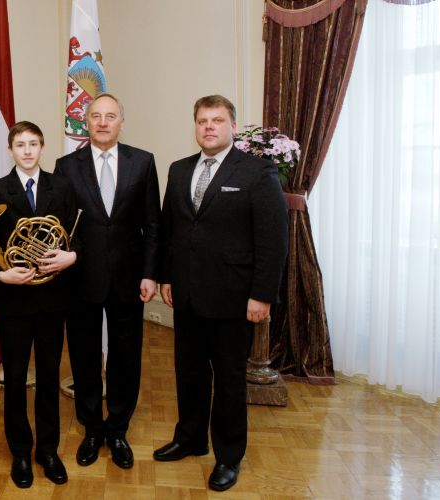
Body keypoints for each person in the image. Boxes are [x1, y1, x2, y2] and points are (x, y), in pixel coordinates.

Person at [156, 95, 289, 492]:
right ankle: (190, 438)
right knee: (189, 374)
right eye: (202, 121)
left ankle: (228, 456)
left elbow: (273, 240)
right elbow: (170, 229)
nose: (209, 127)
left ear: (232, 126)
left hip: (233, 298)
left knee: (230, 381)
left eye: (217, 120)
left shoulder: (257, 171)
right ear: (195, 126)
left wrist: (262, 295)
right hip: (187, 296)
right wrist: (166, 277)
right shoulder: (179, 170)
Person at [54, 93, 161, 470]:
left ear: (121, 122)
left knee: (125, 356)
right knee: (83, 356)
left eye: (110, 116)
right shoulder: (66, 166)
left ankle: (117, 429)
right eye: (96, 116)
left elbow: (153, 224)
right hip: (80, 277)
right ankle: (92, 428)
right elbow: (63, 227)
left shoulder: (143, 162)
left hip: (129, 278)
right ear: (85, 122)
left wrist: (150, 273)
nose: (102, 122)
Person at [0, 121, 79, 488]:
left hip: (52, 299)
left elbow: (75, 233)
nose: (27, 150)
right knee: (17, 378)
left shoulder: (62, 187)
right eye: (20, 144)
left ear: (42, 147)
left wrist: (71, 256)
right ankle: (20, 450)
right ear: (10, 150)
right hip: (14, 300)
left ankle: (48, 450)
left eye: (33, 144)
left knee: (49, 376)